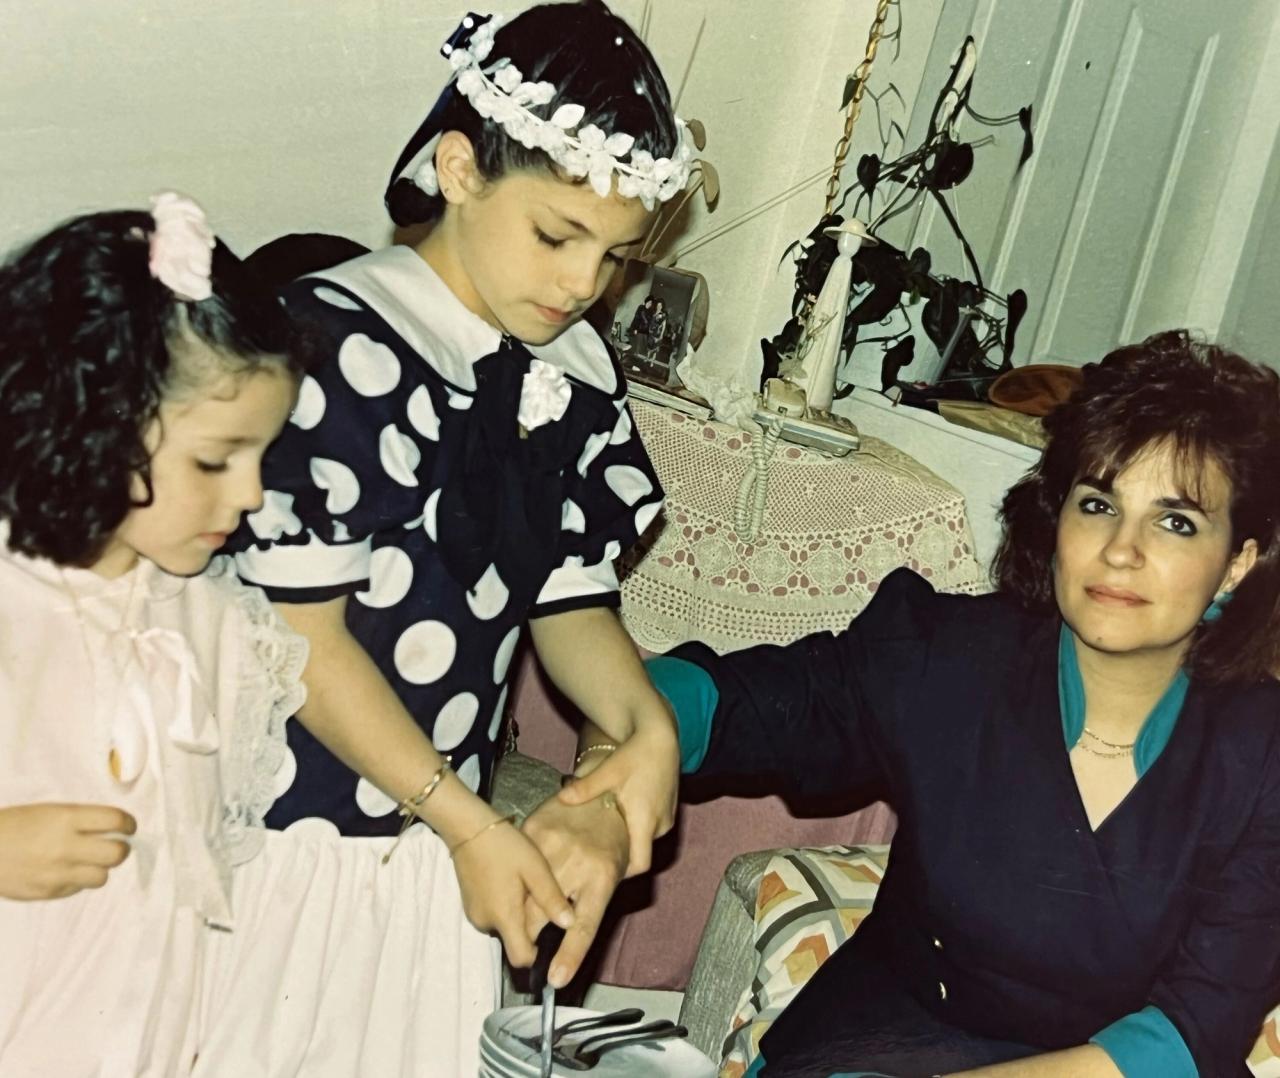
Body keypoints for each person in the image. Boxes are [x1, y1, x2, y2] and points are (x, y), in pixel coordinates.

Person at [572, 331, 1280, 1076]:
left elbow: (1189, 1036)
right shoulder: (948, 659)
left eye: (1176, 521)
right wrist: (599, 791)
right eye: (1098, 503)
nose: (1121, 549)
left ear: (1236, 563)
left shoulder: (1262, 753)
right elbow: (703, 701)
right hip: (887, 1050)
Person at [223, 1, 689, 1000]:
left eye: (612, 256)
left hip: (433, 835)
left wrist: (641, 724)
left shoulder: (569, 371)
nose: (580, 285)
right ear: (460, 168)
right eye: (557, 236)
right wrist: (465, 819)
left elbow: (566, 601)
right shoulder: (334, 344)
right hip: (289, 826)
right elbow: (297, 642)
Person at [0, 195, 307, 1075]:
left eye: (262, 456)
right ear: (95, 421)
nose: (249, 495)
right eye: (215, 460)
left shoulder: (212, 621)